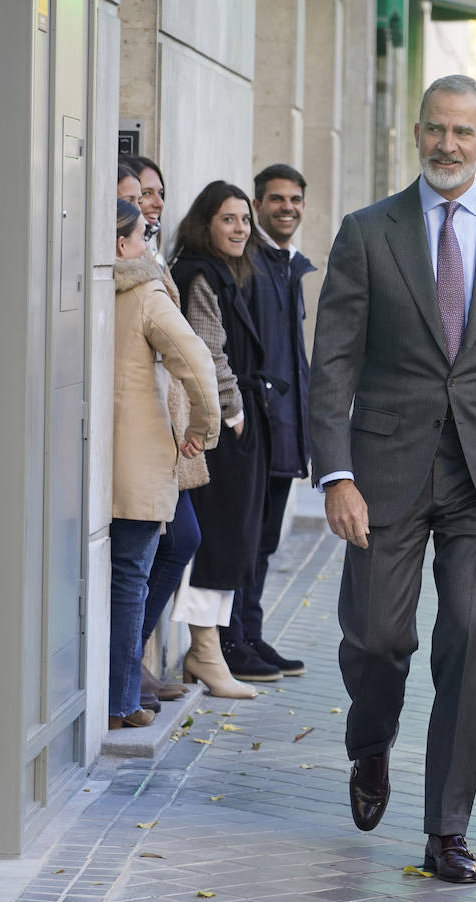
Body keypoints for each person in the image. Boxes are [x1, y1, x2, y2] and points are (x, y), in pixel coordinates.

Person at [308, 74, 476, 883]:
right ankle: (371, 742)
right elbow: (334, 361)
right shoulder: (367, 232)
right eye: (435, 130)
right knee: (379, 635)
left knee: (470, 634)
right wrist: (336, 474)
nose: (448, 145)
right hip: (382, 468)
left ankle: (446, 826)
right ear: (417, 134)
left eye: (464, 131)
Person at [111, 198, 220, 728]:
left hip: (76, 461)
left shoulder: (73, 285)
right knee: (130, 578)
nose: (149, 245)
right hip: (135, 462)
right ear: (120, 245)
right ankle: (120, 701)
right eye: (142, 236)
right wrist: (203, 430)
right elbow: (198, 365)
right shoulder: (147, 292)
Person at [169, 180, 275, 693]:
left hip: (236, 422)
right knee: (215, 542)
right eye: (227, 219)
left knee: (232, 541)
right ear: (205, 223)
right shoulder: (198, 273)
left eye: (242, 220)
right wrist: (232, 413)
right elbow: (205, 352)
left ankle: (208, 651)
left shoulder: (225, 272)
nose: (239, 228)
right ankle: (205, 651)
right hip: (218, 428)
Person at [213, 163, 318, 681]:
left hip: (285, 432)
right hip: (254, 430)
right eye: (277, 199)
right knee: (244, 541)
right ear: (258, 207)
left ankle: (250, 634)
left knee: (265, 543)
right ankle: (231, 642)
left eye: (295, 200)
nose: (287, 208)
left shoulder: (287, 266)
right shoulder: (248, 265)